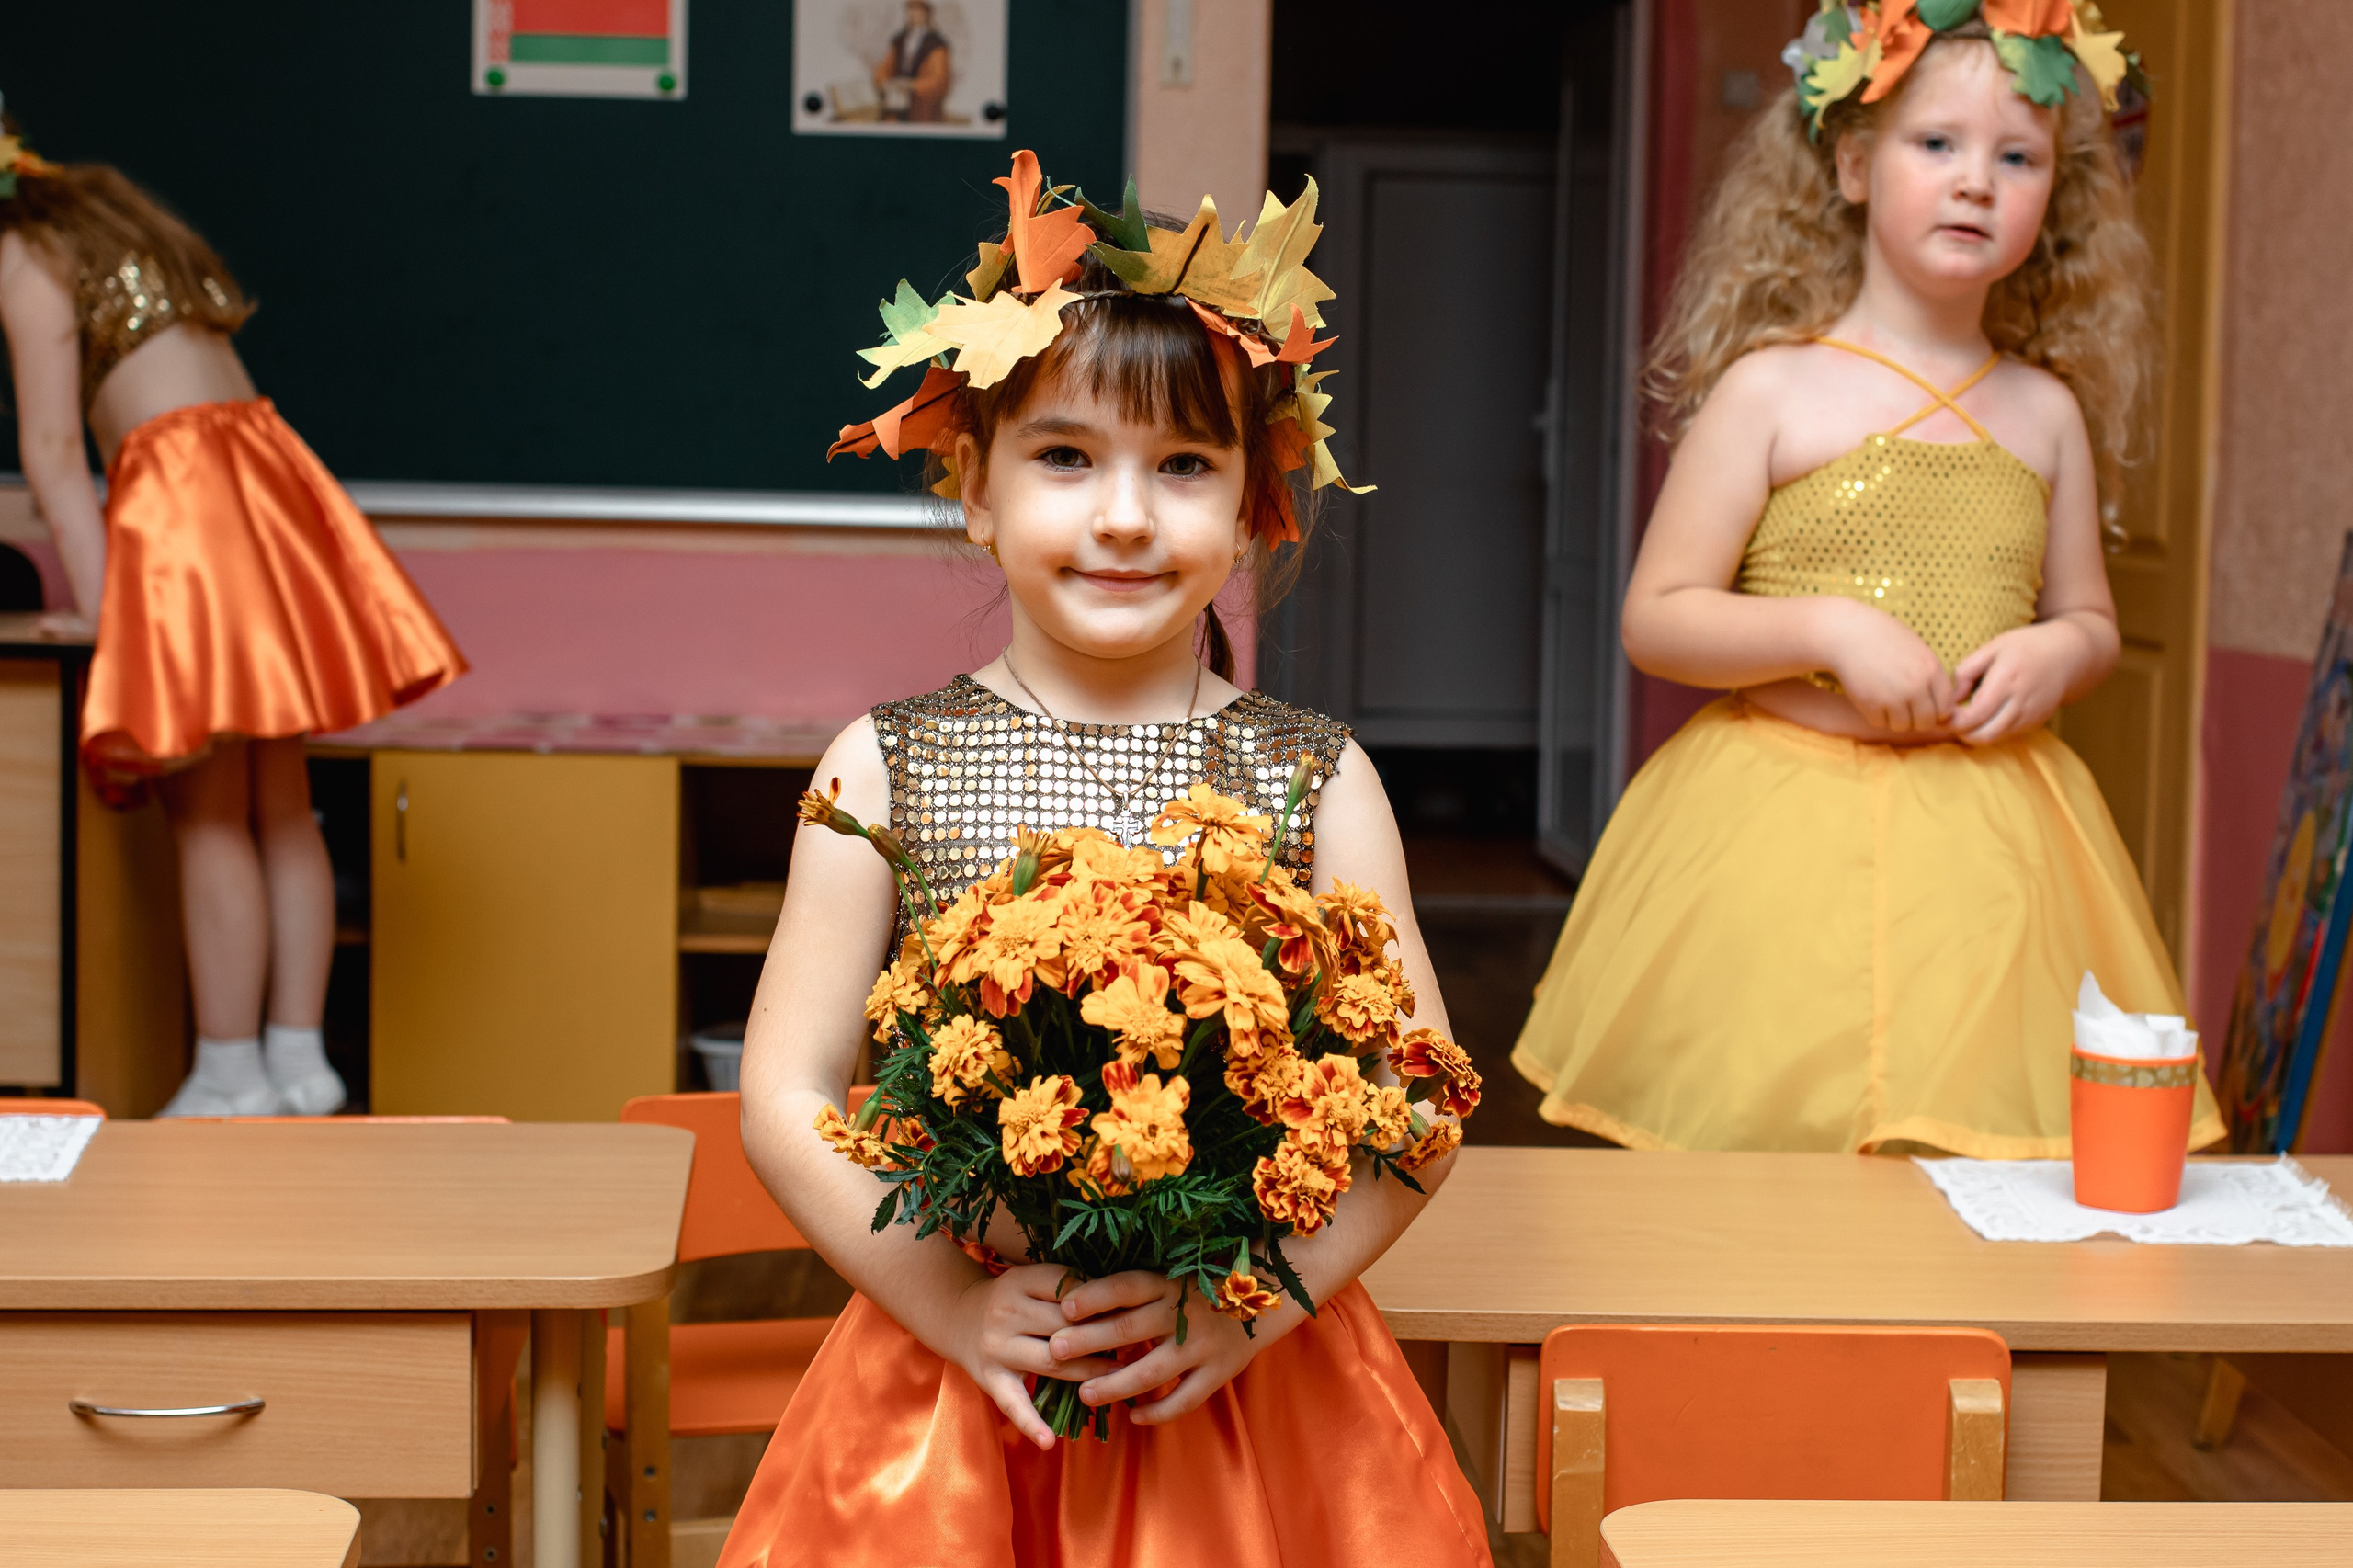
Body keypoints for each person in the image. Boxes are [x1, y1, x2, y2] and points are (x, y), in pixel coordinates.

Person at [722, 153, 1489, 1565]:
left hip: (1255, 1387)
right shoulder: (881, 767)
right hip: (960, 1378)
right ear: (974, 489)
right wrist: (950, 1306)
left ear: (1258, 500)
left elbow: (1421, 1104)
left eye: (1183, 464)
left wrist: (1256, 1301)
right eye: (1068, 455)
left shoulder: (1317, 777)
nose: (1126, 515)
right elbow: (781, 1092)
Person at [1511, 4, 2226, 1156]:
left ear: (2056, 194)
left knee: (1970, 1165)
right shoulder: (1772, 391)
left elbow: (2089, 616)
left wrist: (2059, 651)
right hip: (1771, 833)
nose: (1974, 183)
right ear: (1852, 162)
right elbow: (1659, 617)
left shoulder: (2045, 414)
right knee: (1766, 1159)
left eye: (2016, 157)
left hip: (1992, 857)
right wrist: (1829, 627)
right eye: (1934, 144)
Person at [0, 119, 466, 1117]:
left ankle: (228, 1070)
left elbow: (48, 449)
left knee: (206, 805)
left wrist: (103, 616)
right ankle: (298, 1057)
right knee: (279, 798)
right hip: (266, 470)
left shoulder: (23, 257)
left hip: (184, 490)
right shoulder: (112, 232)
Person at [872, 0, 951, 122]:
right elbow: (883, 70)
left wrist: (910, 85)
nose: (913, 14)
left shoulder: (936, 45)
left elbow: (939, 82)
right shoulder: (900, 40)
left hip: (923, 111)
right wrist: (888, 83)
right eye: (910, 9)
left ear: (927, 13)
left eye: (918, 10)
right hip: (897, 107)